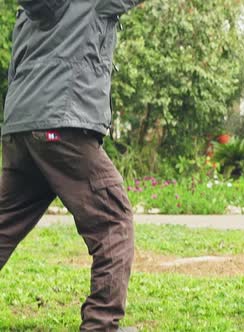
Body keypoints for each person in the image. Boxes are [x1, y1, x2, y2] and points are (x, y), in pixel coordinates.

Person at [1, 0, 143, 330]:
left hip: (22, 129)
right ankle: (101, 324)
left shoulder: (27, 10)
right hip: (61, 127)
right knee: (113, 221)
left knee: (4, 222)